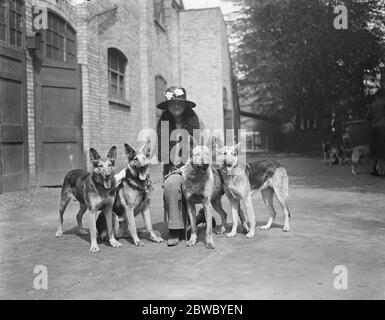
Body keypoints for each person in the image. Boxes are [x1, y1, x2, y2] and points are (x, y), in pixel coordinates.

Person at [156, 86, 214, 246]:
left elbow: (206, 143)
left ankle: (199, 218)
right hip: (174, 169)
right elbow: (162, 154)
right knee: (171, 184)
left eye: (180, 103)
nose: (176, 106)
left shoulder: (196, 121)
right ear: (167, 105)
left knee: (206, 187)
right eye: (172, 103)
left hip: (195, 169)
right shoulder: (163, 123)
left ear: (185, 105)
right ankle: (175, 229)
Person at [365, 88, 385, 176]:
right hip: (382, 127)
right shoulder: (383, 104)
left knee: (376, 150)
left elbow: (367, 117)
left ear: (376, 96)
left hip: (374, 128)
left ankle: (374, 170)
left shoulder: (373, 105)